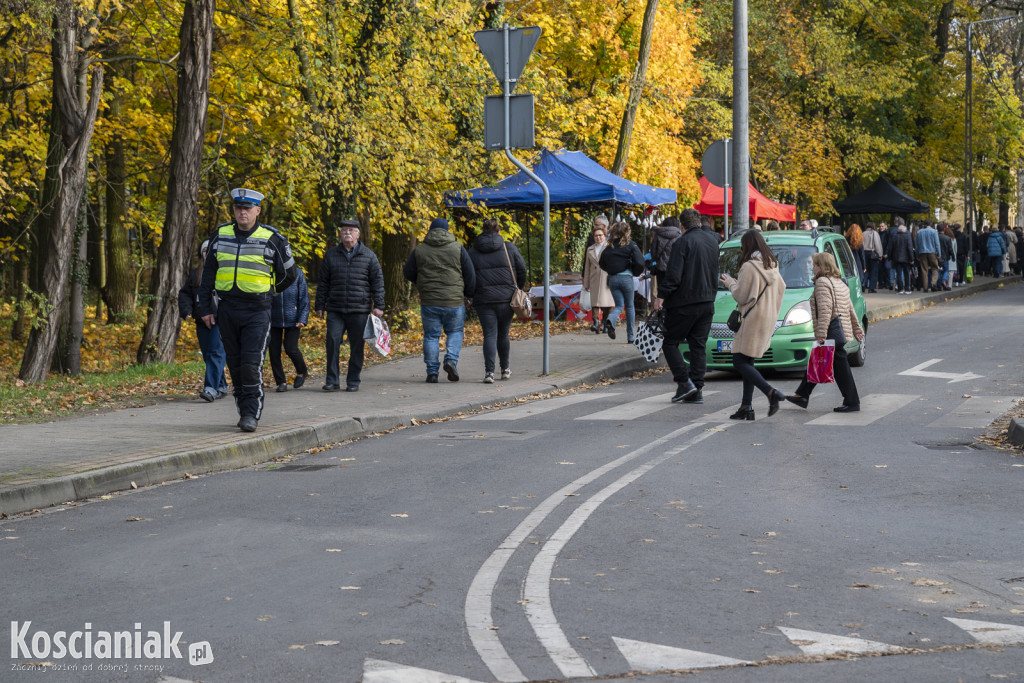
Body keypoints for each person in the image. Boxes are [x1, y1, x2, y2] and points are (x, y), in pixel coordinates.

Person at [197, 188, 297, 433]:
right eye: (238, 207)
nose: (243, 212)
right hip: (227, 309)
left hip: (257, 311)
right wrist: (205, 308)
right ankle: (243, 409)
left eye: (248, 208)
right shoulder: (220, 235)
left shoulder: (272, 238)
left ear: (257, 211)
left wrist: (268, 292)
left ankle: (251, 413)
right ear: (234, 210)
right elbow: (207, 275)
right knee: (235, 364)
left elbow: (289, 275)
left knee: (251, 364)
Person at [652, 208, 719, 403]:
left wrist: (661, 296)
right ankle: (696, 390)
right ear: (699, 223)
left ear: (681, 226)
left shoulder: (682, 242)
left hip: (685, 302)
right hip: (707, 302)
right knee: (698, 346)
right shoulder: (713, 242)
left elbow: (674, 275)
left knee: (670, 342)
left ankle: (684, 382)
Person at [719, 230, 786, 421]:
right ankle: (746, 407)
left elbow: (740, 295)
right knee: (748, 361)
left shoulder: (749, 267)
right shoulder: (772, 266)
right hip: (766, 317)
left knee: (739, 361)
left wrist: (731, 283)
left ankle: (770, 392)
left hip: (751, 318)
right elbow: (782, 288)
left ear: (747, 246)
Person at [785, 252, 865, 413]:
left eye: (814, 265)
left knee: (840, 368)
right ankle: (802, 394)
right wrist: (857, 328)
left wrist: (821, 334)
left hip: (832, 331)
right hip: (840, 330)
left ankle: (852, 401)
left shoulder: (822, 282)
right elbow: (850, 308)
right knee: (818, 361)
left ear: (821, 266)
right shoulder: (839, 282)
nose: (812, 268)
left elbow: (825, 310)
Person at [315, 220, 385, 392]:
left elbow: (377, 282)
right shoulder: (331, 255)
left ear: (358, 234)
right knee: (332, 341)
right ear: (340, 233)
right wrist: (319, 305)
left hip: (359, 309)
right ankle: (332, 381)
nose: (348, 233)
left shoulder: (369, 256)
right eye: (345, 230)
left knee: (357, 346)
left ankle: (353, 380)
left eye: (352, 230)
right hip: (335, 308)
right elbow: (323, 282)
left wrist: (379, 305)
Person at [404, 217, 476, 383]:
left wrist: (421, 283)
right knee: (455, 332)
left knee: (431, 336)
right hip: (454, 300)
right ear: (447, 231)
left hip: (429, 301)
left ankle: (432, 372)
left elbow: (408, 272)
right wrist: (469, 294)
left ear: (430, 231)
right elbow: (470, 274)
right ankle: (450, 360)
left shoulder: (420, 250)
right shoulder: (458, 248)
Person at [468, 219, 527, 383]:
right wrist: (518, 288)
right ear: (499, 231)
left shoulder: (473, 251)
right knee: (503, 334)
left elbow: (468, 276)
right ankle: (505, 369)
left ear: (482, 231)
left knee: (489, 335)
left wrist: (472, 293)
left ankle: (489, 373)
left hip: (484, 299)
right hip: (507, 299)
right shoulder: (508, 248)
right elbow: (522, 269)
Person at [178, 239, 228, 402]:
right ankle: (221, 385)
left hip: (218, 321)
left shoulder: (223, 272)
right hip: (201, 321)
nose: (208, 253)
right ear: (202, 253)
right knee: (208, 355)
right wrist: (187, 311)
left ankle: (210, 388)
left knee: (215, 352)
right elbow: (185, 293)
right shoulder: (196, 274)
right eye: (205, 250)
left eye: (211, 250)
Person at [597, 221, 644, 342]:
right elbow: (639, 261)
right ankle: (631, 337)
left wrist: (611, 270)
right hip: (626, 279)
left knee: (618, 305)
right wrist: (635, 272)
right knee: (629, 307)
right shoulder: (630, 245)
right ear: (627, 232)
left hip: (613, 279)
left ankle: (610, 319)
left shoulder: (608, 247)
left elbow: (601, 263)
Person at [269, 267, 310, 392]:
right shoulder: (269, 272)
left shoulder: (297, 273)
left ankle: (302, 372)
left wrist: (302, 318)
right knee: (273, 352)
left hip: (293, 318)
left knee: (291, 348)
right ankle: (281, 382)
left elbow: (303, 296)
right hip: (272, 318)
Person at [582, 223, 614, 333]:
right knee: (595, 302)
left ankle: (604, 322)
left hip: (607, 278)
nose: (598, 237)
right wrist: (586, 282)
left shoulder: (610, 247)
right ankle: (595, 322)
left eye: (600, 235)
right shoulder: (590, 249)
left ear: (605, 236)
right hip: (594, 278)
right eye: (596, 235)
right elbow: (587, 267)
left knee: (608, 303)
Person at [649, 216, 682, 289]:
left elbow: (653, 253)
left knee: (661, 292)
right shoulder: (679, 236)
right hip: (675, 269)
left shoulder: (658, 235)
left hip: (661, 269)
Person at [889, 221, 915, 294]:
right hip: (906, 259)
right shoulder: (907, 236)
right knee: (907, 273)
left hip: (896, 258)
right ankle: (907, 289)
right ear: (904, 230)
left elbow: (891, 248)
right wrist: (912, 259)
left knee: (899, 274)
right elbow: (910, 248)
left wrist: (890, 258)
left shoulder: (894, 237)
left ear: (898, 230)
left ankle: (900, 289)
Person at [915, 220, 940, 291]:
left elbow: (917, 245)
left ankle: (925, 287)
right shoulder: (934, 232)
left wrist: (917, 254)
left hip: (922, 252)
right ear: (930, 223)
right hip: (932, 252)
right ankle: (933, 283)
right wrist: (938, 254)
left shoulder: (919, 232)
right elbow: (937, 244)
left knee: (924, 270)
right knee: (935, 268)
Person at [861, 222, 884, 293]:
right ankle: (871, 288)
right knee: (874, 271)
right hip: (872, 253)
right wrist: (880, 255)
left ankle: (863, 283)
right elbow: (877, 245)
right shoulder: (875, 233)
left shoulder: (863, 233)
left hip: (864, 253)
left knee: (865, 270)